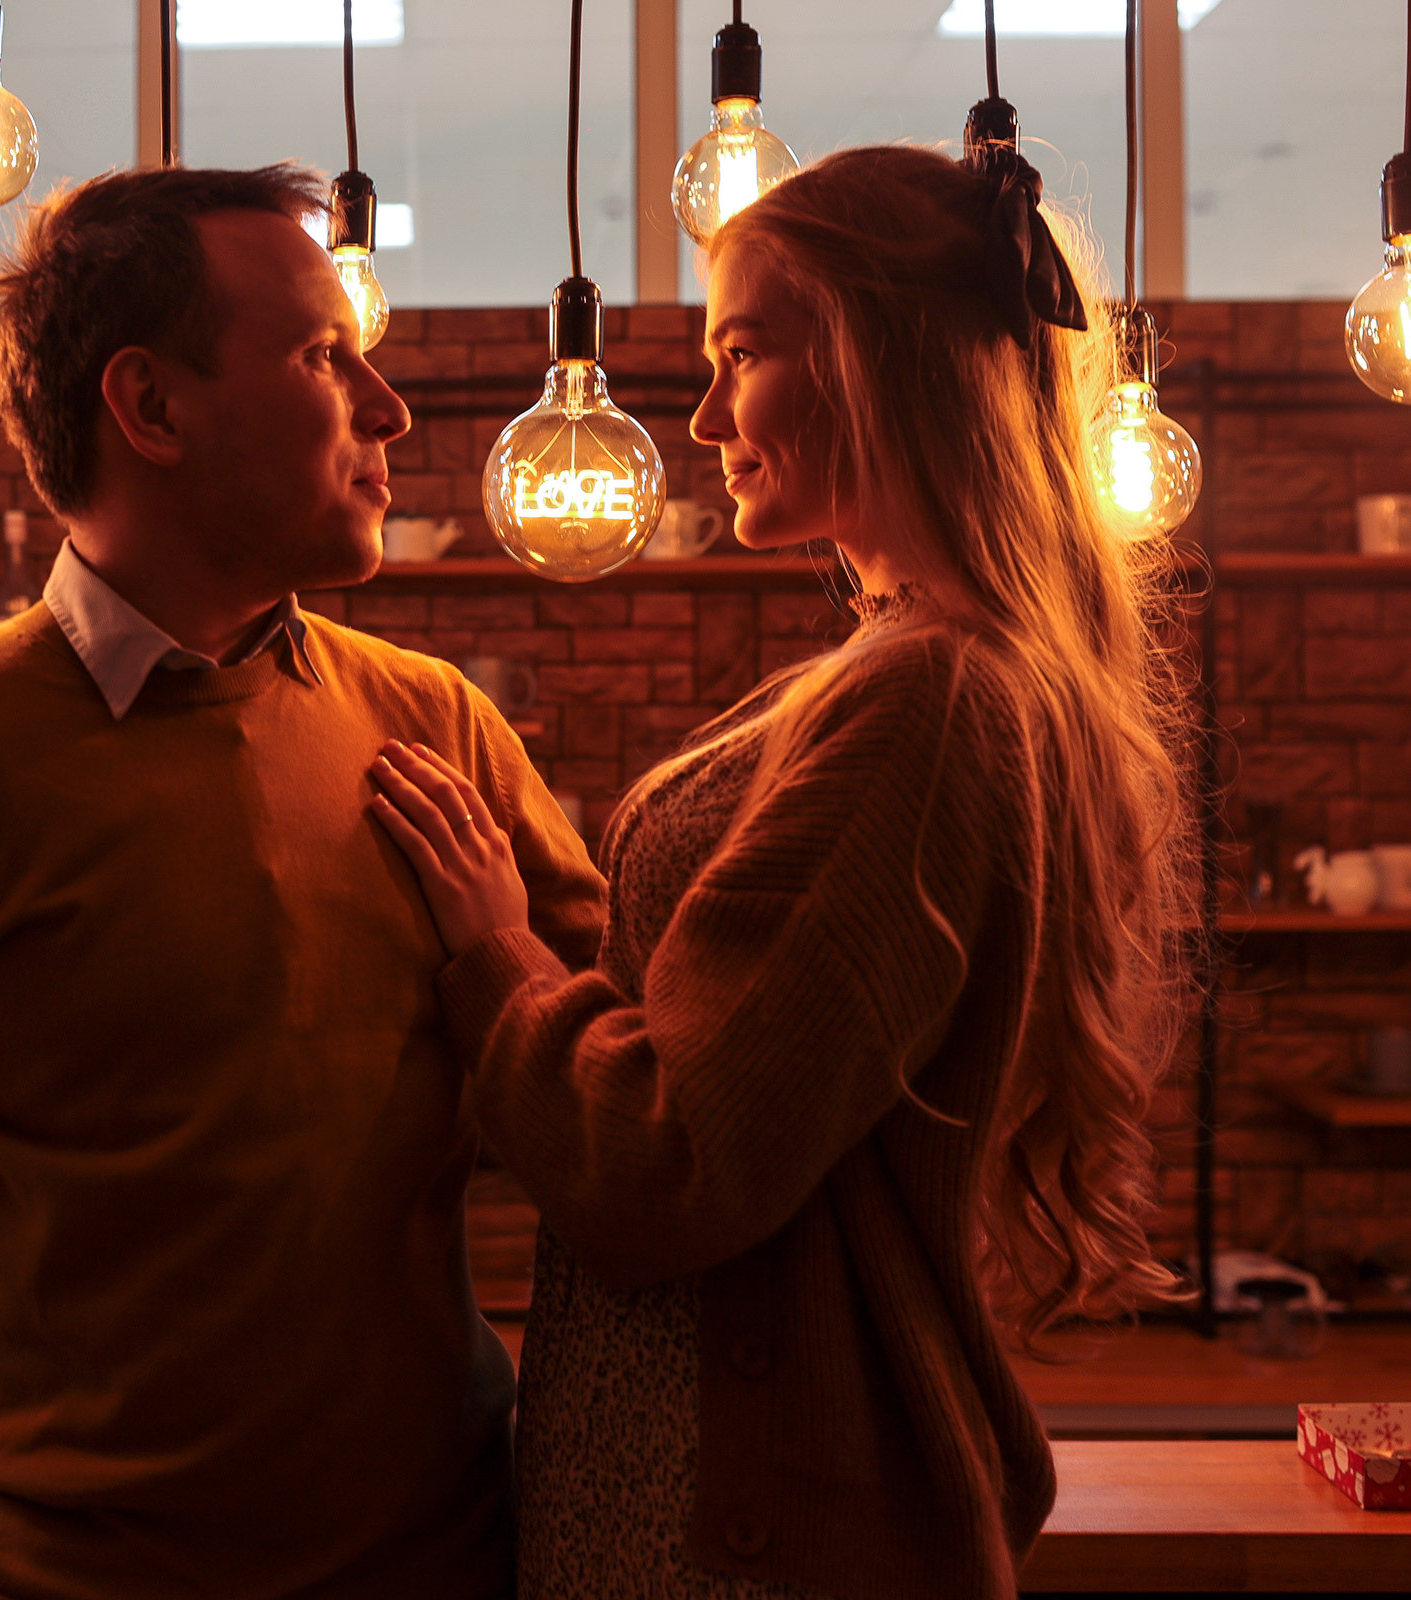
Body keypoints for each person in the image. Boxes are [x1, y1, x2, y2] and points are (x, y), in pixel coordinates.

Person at [0, 165, 604, 1600]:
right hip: (70, 1578)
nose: (389, 409)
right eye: (323, 356)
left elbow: (630, 1067)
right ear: (151, 406)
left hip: (442, 1563)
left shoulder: (437, 724)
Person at [368, 143, 1196, 1600]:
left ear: (877, 358)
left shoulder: (927, 698)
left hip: (743, 1528)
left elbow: (673, 1160)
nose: (704, 416)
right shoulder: (925, 669)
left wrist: (495, 960)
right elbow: (740, 1019)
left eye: (742, 354)